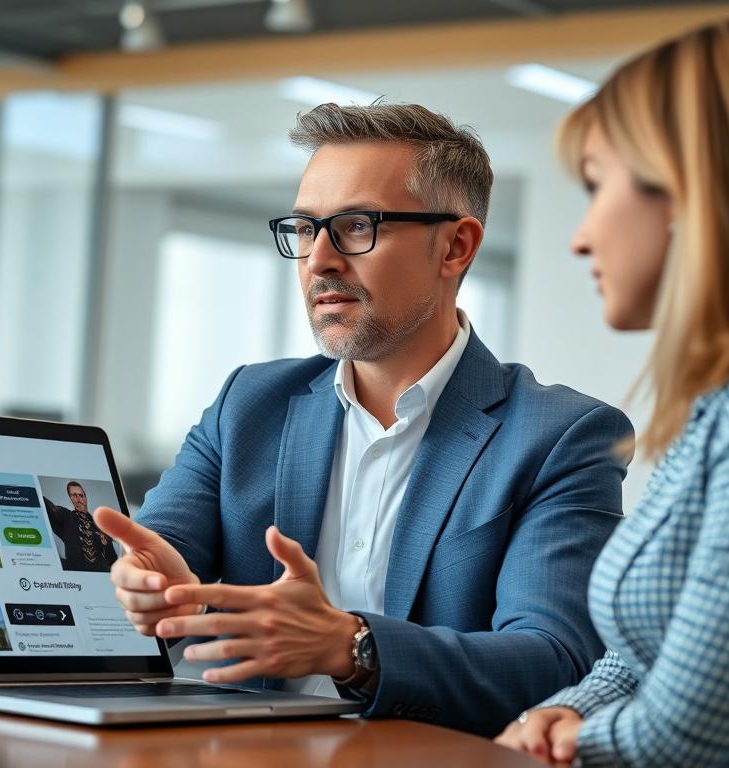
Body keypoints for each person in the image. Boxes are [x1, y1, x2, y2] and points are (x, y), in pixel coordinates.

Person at [94, 102, 634, 737]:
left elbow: (554, 662)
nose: (319, 259)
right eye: (303, 228)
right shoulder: (250, 402)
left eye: (355, 226)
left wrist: (350, 646)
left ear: (455, 246)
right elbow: (161, 547)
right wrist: (148, 581)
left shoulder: (560, 436)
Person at [494, 20, 729, 766]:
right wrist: (564, 711)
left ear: (684, 191)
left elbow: (688, 736)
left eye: (598, 186)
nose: (580, 235)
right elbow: (650, 649)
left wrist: (571, 745)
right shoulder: (712, 411)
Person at [44, 481, 117, 572]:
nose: (79, 499)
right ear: (70, 498)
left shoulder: (101, 527)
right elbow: (49, 508)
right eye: (74, 495)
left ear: (86, 498)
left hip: (101, 576)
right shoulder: (66, 516)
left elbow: (113, 561)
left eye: (81, 495)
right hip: (76, 578)